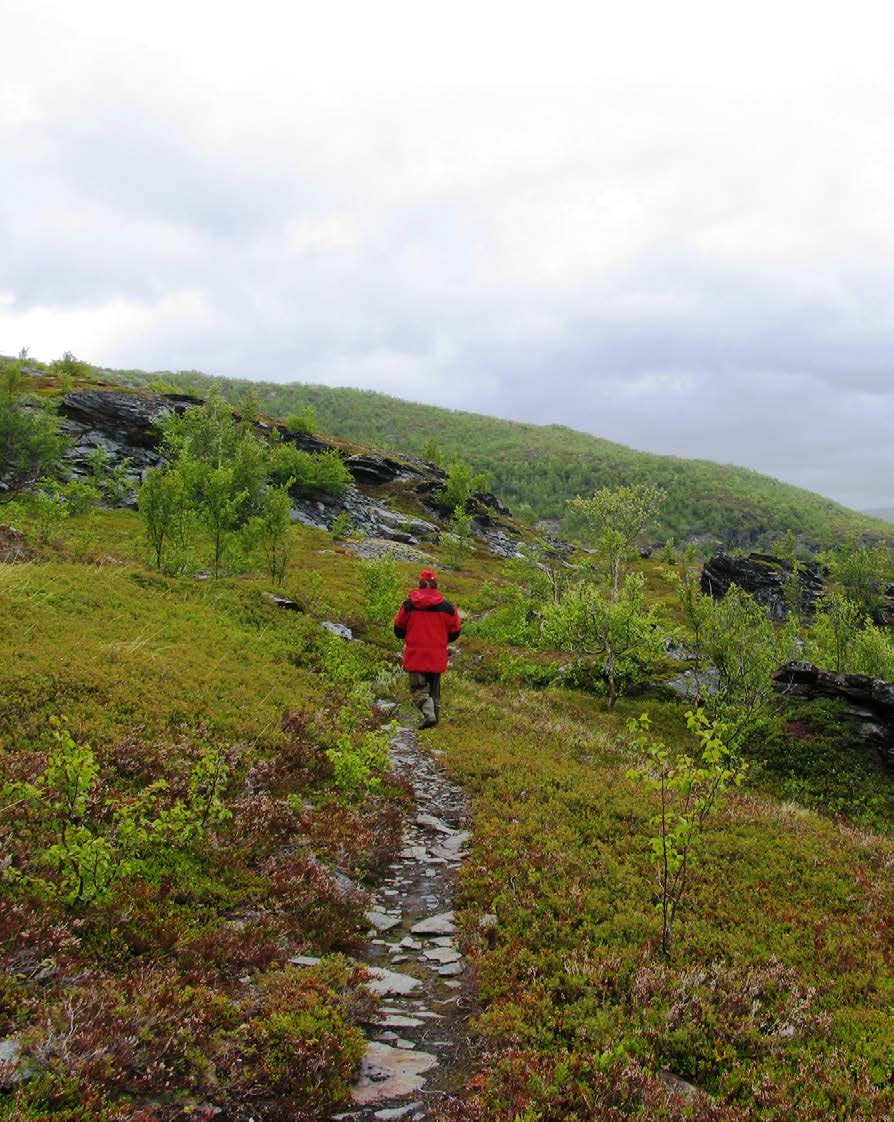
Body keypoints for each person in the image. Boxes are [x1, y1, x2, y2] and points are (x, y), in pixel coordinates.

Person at [393, 568, 462, 728]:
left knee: (418, 688)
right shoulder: (447, 607)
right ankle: (434, 721)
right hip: (437, 655)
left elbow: (398, 629)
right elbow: (455, 632)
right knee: (434, 690)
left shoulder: (409, 605)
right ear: (435, 584)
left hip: (415, 654)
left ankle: (429, 715)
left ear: (420, 583)